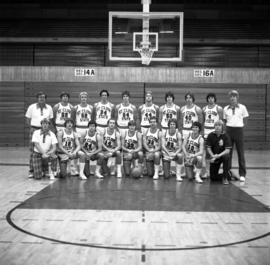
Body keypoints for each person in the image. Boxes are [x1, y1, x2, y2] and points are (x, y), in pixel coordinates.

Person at [25, 91, 54, 178]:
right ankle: (31, 170)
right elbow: (28, 119)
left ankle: (45, 170)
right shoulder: (32, 107)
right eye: (40, 97)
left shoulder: (49, 108)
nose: (42, 99)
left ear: (45, 99)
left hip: (45, 130)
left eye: (43, 97)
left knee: (45, 149)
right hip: (34, 129)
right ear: (37, 98)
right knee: (33, 151)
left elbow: (51, 120)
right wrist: (33, 128)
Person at [223, 90, 249, 182]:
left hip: (239, 130)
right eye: (231, 96)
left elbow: (245, 120)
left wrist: (240, 127)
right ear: (229, 98)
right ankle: (228, 172)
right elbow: (225, 121)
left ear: (237, 97)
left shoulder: (242, 107)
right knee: (228, 153)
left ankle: (242, 174)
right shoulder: (226, 108)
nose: (232, 98)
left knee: (240, 153)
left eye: (234, 96)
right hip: (229, 131)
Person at [202, 93, 223, 178]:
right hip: (207, 133)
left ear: (215, 99)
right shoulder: (204, 109)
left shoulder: (219, 108)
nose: (211, 99)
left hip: (216, 133)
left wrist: (221, 134)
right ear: (207, 99)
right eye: (209, 98)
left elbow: (221, 122)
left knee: (216, 152)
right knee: (207, 154)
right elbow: (203, 121)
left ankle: (216, 170)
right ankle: (207, 171)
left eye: (212, 98)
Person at [206, 120, 232, 185]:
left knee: (227, 156)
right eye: (216, 125)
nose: (217, 127)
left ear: (222, 127)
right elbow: (208, 148)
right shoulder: (210, 135)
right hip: (214, 157)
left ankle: (225, 178)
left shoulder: (226, 136)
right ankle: (229, 174)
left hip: (222, 156)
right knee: (213, 178)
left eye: (219, 125)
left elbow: (227, 150)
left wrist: (219, 155)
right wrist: (213, 156)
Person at [73, 92, 93, 175]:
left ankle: (87, 168)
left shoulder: (91, 107)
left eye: (85, 97)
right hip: (78, 128)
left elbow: (93, 119)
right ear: (79, 98)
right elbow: (73, 119)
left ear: (87, 98)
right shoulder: (75, 107)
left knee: (87, 148)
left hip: (87, 129)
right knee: (77, 148)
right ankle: (74, 168)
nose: (83, 98)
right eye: (82, 97)